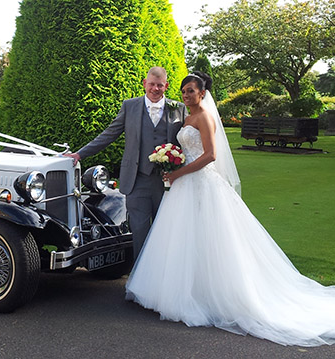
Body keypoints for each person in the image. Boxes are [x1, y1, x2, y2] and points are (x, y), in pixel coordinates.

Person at [125, 72, 335, 347]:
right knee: (183, 238)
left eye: (191, 91)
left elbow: (211, 155)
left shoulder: (205, 117)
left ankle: (209, 295)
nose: (187, 95)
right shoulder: (185, 117)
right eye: (184, 91)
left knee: (211, 238)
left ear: (202, 93)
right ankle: (182, 290)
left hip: (200, 183)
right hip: (183, 186)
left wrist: (178, 173)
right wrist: (172, 163)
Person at [65, 67, 187, 259]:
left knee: (166, 231)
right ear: (144, 83)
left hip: (168, 183)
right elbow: (109, 134)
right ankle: (140, 279)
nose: (155, 89)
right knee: (139, 231)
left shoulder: (178, 108)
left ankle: (164, 281)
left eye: (160, 85)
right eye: (152, 84)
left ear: (166, 86)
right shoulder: (130, 106)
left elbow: (187, 142)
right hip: (136, 180)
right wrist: (80, 154)